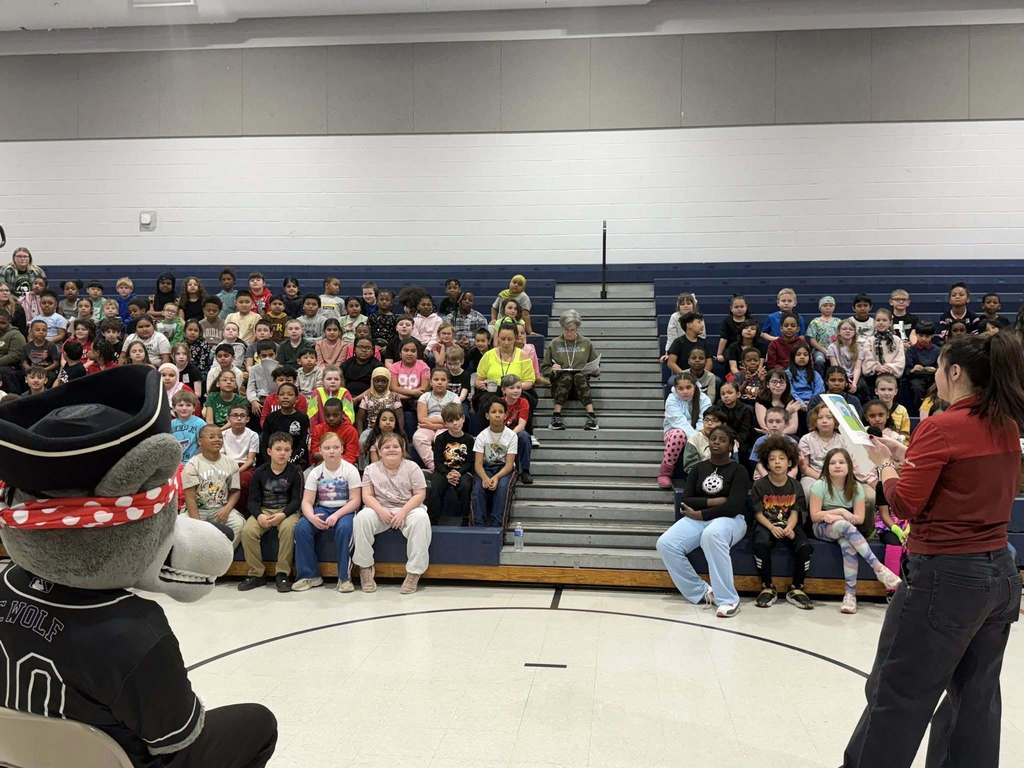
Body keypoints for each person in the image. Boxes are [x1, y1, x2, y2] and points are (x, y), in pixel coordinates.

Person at [842, 332, 1024, 768]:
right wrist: (910, 456)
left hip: (944, 576)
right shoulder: (1005, 425)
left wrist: (885, 465)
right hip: (999, 571)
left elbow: (903, 503)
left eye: (941, 369)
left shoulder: (940, 426)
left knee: (897, 694)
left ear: (954, 372)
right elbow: (965, 478)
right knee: (974, 701)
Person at [656, 424, 750, 619]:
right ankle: (702, 592)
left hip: (731, 520)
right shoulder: (699, 468)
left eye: (722, 440)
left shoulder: (739, 470)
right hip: (698, 516)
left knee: (712, 534)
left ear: (731, 446)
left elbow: (734, 506)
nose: (716, 442)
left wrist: (702, 514)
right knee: (666, 544)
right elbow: (687, 498)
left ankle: (729, 599)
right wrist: (714, 501)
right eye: (713, 438)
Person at [808, 448, 900, 614]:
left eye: (841, 462)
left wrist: (838, 516)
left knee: (847, 545)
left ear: (849, 466)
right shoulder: (819, 485)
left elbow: (860, 519)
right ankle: (878, 568)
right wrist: (840, 512)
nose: (837, 466)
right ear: (826, 467)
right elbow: (815, 516)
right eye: (833, 463)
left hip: (845, 529)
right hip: (821, 528)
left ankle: (850, 595)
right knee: (844, 525)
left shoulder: (856, 487)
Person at [352, 433, 431, 595]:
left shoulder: (413, 467)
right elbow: (366, 496)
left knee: (422, 519)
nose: (391, 450)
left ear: (402, 450)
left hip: (408, 509)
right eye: (386, 447)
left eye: (395, 446)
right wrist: (381, 511)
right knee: (361, 518)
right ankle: (365, 568)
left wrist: (403, 512)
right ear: (380, 451)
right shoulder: (370, 469)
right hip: (380, 509)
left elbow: (419, 495)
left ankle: (414, 573)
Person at [292, 432, 363, 593]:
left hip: (345, 510)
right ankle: (309, 576)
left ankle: (344, 578)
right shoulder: (315, 473)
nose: (331, 451)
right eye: (327, 448)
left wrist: (337, 515)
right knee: (302, 527)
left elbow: (355, 501)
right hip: (323, 509)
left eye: (335, 447)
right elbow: (307, 501)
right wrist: (311, 517)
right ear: (320, 451)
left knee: (344, 529)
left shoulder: (350, 470)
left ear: (342, 450)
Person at [750, 435, 813, 609]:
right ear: (766, 463)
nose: (777, 462)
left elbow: (795, 512)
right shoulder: (759, 485)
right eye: (772, 459)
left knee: (804, 546)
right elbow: (757, 513)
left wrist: (789, 527)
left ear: (790, 462)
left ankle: (797, 588)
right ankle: (767, 586)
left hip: (789, 525)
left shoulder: (796, 485)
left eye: (782, 458)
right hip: (766, 525)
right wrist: (771, 527)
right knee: (760, 543)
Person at [238, 433, 304, 593]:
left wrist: (283, 515)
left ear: (291, 452)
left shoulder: (295, 471)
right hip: (264, 510)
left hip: (287, 512)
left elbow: (297, 500)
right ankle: (256, 573)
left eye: (287, 450)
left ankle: (282, 573)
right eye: (278, 449)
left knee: (288, 530)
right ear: (269, 451)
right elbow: (252, 501)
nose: (282, 453)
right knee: (248, 531)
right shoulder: (260, 472)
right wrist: (259, 515)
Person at [181, 424, 245, 545]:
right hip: (198, 510)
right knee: (181, 525)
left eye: (220, 437)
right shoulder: (192, 464)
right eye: (211, 437)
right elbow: (189, 497)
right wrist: (197, 523)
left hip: (220, 509)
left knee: (239, 524)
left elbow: (235, 491)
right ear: (200, 441)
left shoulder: (231, 463)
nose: (217, 439)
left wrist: (227, 509)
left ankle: (224, 557)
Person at [543, 309, 600, 431]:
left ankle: (591, 416)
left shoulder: (586, 343)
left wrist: (594, 370)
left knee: (578, 376)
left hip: (580, 386)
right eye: (566, 330)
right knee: (567, 376)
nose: (569, 333)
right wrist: (552, 369)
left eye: (572, 330)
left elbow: (595, 367)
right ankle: (556, 416)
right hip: (560, 386)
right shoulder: (555, 344)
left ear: (577, 329)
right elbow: (544, 368)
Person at [658, 372, 711, 488]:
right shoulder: (671, 399)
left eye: (688, 387)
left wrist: (698, 436)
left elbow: (704, 420)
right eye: (680, 388)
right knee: (678, 435)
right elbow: (679, 422)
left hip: (700, 432)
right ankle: (665, 472)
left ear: (694, 386)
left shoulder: (704, 399)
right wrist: (695, 439)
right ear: (675, 389)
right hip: (675, 432)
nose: (685, 391)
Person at [473, 398, 518, 527]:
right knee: (478, 489)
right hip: (486, 468)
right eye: (493, 412)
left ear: (505, 415)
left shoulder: (512, 436)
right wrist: (485, 478)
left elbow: (509, 465)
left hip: (504, 469)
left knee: (502, 487)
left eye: (500, 412)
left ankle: (497, 527)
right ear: (487, 415)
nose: (497, 414)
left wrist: (496, 477)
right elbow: (478, 464)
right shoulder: (482, 436)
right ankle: (478, 525)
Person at [428, 402, 475, 523]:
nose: (455, 423)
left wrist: (459, 473)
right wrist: (447, 474)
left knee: (465, 486)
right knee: (436, 486)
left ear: (463, 419)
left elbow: (470, 461)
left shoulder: (469, 440)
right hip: (444, 471)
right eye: (450, 421)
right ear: (445, 423)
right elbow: (438, 461)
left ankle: (466, 518)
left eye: (458, 419)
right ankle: (433, 520)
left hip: (462, 472)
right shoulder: (440, 439)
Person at [412, 368, 458, 471]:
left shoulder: (454, 397)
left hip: (445, 427)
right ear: (431, 382)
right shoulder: (424, 397)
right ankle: (434, 466)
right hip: (428, 425)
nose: (439, 382)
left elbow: (454, 419)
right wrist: (442, 422)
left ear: (448, 382)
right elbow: (422, 419)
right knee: (418, 437)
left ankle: (449, 467)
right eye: (436, 379)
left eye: (443, 380)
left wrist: (434, 426)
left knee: (442, 438)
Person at [171, 390, 206, 463]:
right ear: (174, 408)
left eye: (188, 405)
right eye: (180, 405)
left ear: (194, 408)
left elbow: (203, 444)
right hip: (175, 464)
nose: (184, 408)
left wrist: (194, 460)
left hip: (195, 462)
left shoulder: (200, 423)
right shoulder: (171, 424)